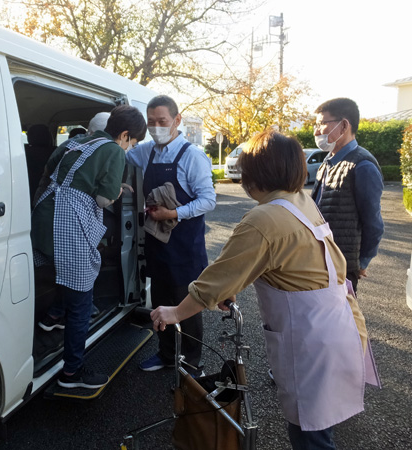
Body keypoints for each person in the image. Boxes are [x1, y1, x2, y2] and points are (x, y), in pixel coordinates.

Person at [151, 130, 380, 450]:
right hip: (338, 327)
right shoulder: (300, 201)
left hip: (312, 340)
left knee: (310, 434)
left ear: (254, 175)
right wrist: (235, 285)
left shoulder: (264, 217)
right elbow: (280, 261)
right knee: (319, 427)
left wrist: (175, 311)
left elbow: (219, 277)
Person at [31, 105, 147, 389]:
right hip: (68, 226)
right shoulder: (114, 151)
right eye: (132, 142)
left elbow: (48, 173)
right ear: (123, 135)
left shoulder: (75, 141)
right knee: (82, 297)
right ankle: (73, 373)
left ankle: (54, 316)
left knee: (61, 272)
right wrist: (118, 190)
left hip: (44, 217)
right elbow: (103, 201)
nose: (130, 148)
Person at [126, 95, 216, 375]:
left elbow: (208, 200)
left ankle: (191, 363)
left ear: (177, 121)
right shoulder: (145, 152)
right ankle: (166, 354)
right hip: (157, 245)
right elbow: (121, 154)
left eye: (162, 122)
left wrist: (173, 214)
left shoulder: (192, 155)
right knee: (160, 303)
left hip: (185, 247)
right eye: (151, 122)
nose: (156, 128)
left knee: (186, 305)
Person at [311, 98, 384, 293]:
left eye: (322, 124)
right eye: (315, 125)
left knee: (340, 320)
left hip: (342, 265)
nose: (317, 131)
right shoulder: (328, 161)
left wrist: (362, 261)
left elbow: (373, 222)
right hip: (319, 260)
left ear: (344, 125)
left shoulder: (363, 166)